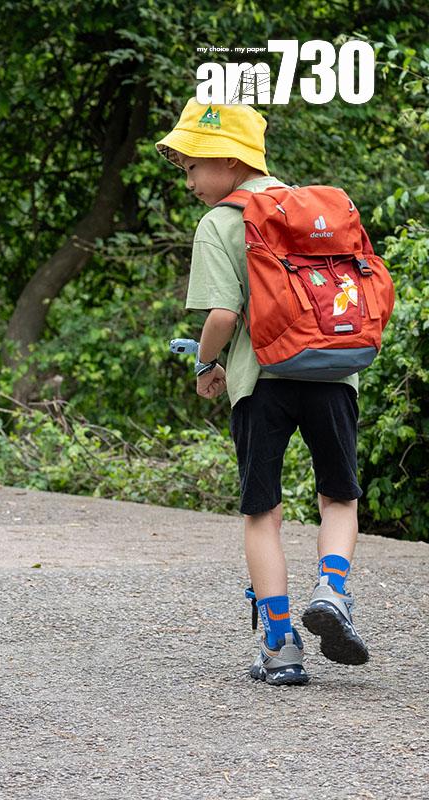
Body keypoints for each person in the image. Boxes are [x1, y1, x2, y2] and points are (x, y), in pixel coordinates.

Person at [157, 99, 369, 685]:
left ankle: (280, 645)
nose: (191, 180)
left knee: (263, 512)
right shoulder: (316, 209)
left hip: (262, 381)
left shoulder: (222, 222)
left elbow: (224, 317)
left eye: (193, 166)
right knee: (339, 497)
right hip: (333, 372)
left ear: (227, 161)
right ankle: (331, 588)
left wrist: (204, 365)